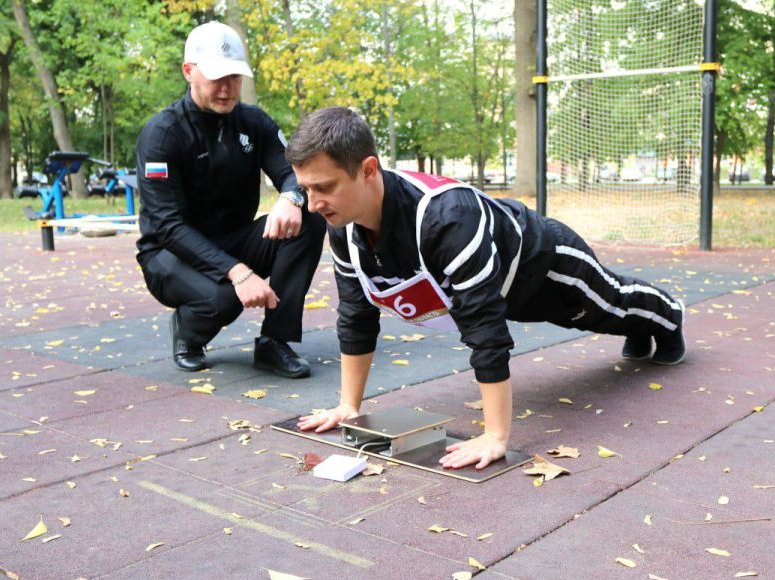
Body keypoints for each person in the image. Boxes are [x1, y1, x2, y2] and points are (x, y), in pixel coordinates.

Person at [290, 107, 685, 469]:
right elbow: (356, 315)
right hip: (506, 291)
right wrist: (348, 406)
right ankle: (641, 327)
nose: (313, 204)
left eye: (324, 187)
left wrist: (495, 436)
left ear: (368, 170)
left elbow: (483, 327)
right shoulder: (344, 227)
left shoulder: (447, 218)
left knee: (612, 307)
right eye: (306, 189)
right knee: (606, 317)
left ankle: (669, 316)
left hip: (546, 265)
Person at [135, 22, 325, 378]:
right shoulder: (162, 135)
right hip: (169, 254)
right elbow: (169, 227)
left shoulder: (254, 122)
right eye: (217, 77)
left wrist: (291, 196)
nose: (227, 88)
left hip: (233, 240)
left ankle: (274, 342)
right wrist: (239, 274)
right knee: (222, 298)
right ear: (189, 72)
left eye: (235, 77)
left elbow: (294, 173)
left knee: (310, 217)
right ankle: (189, 334)